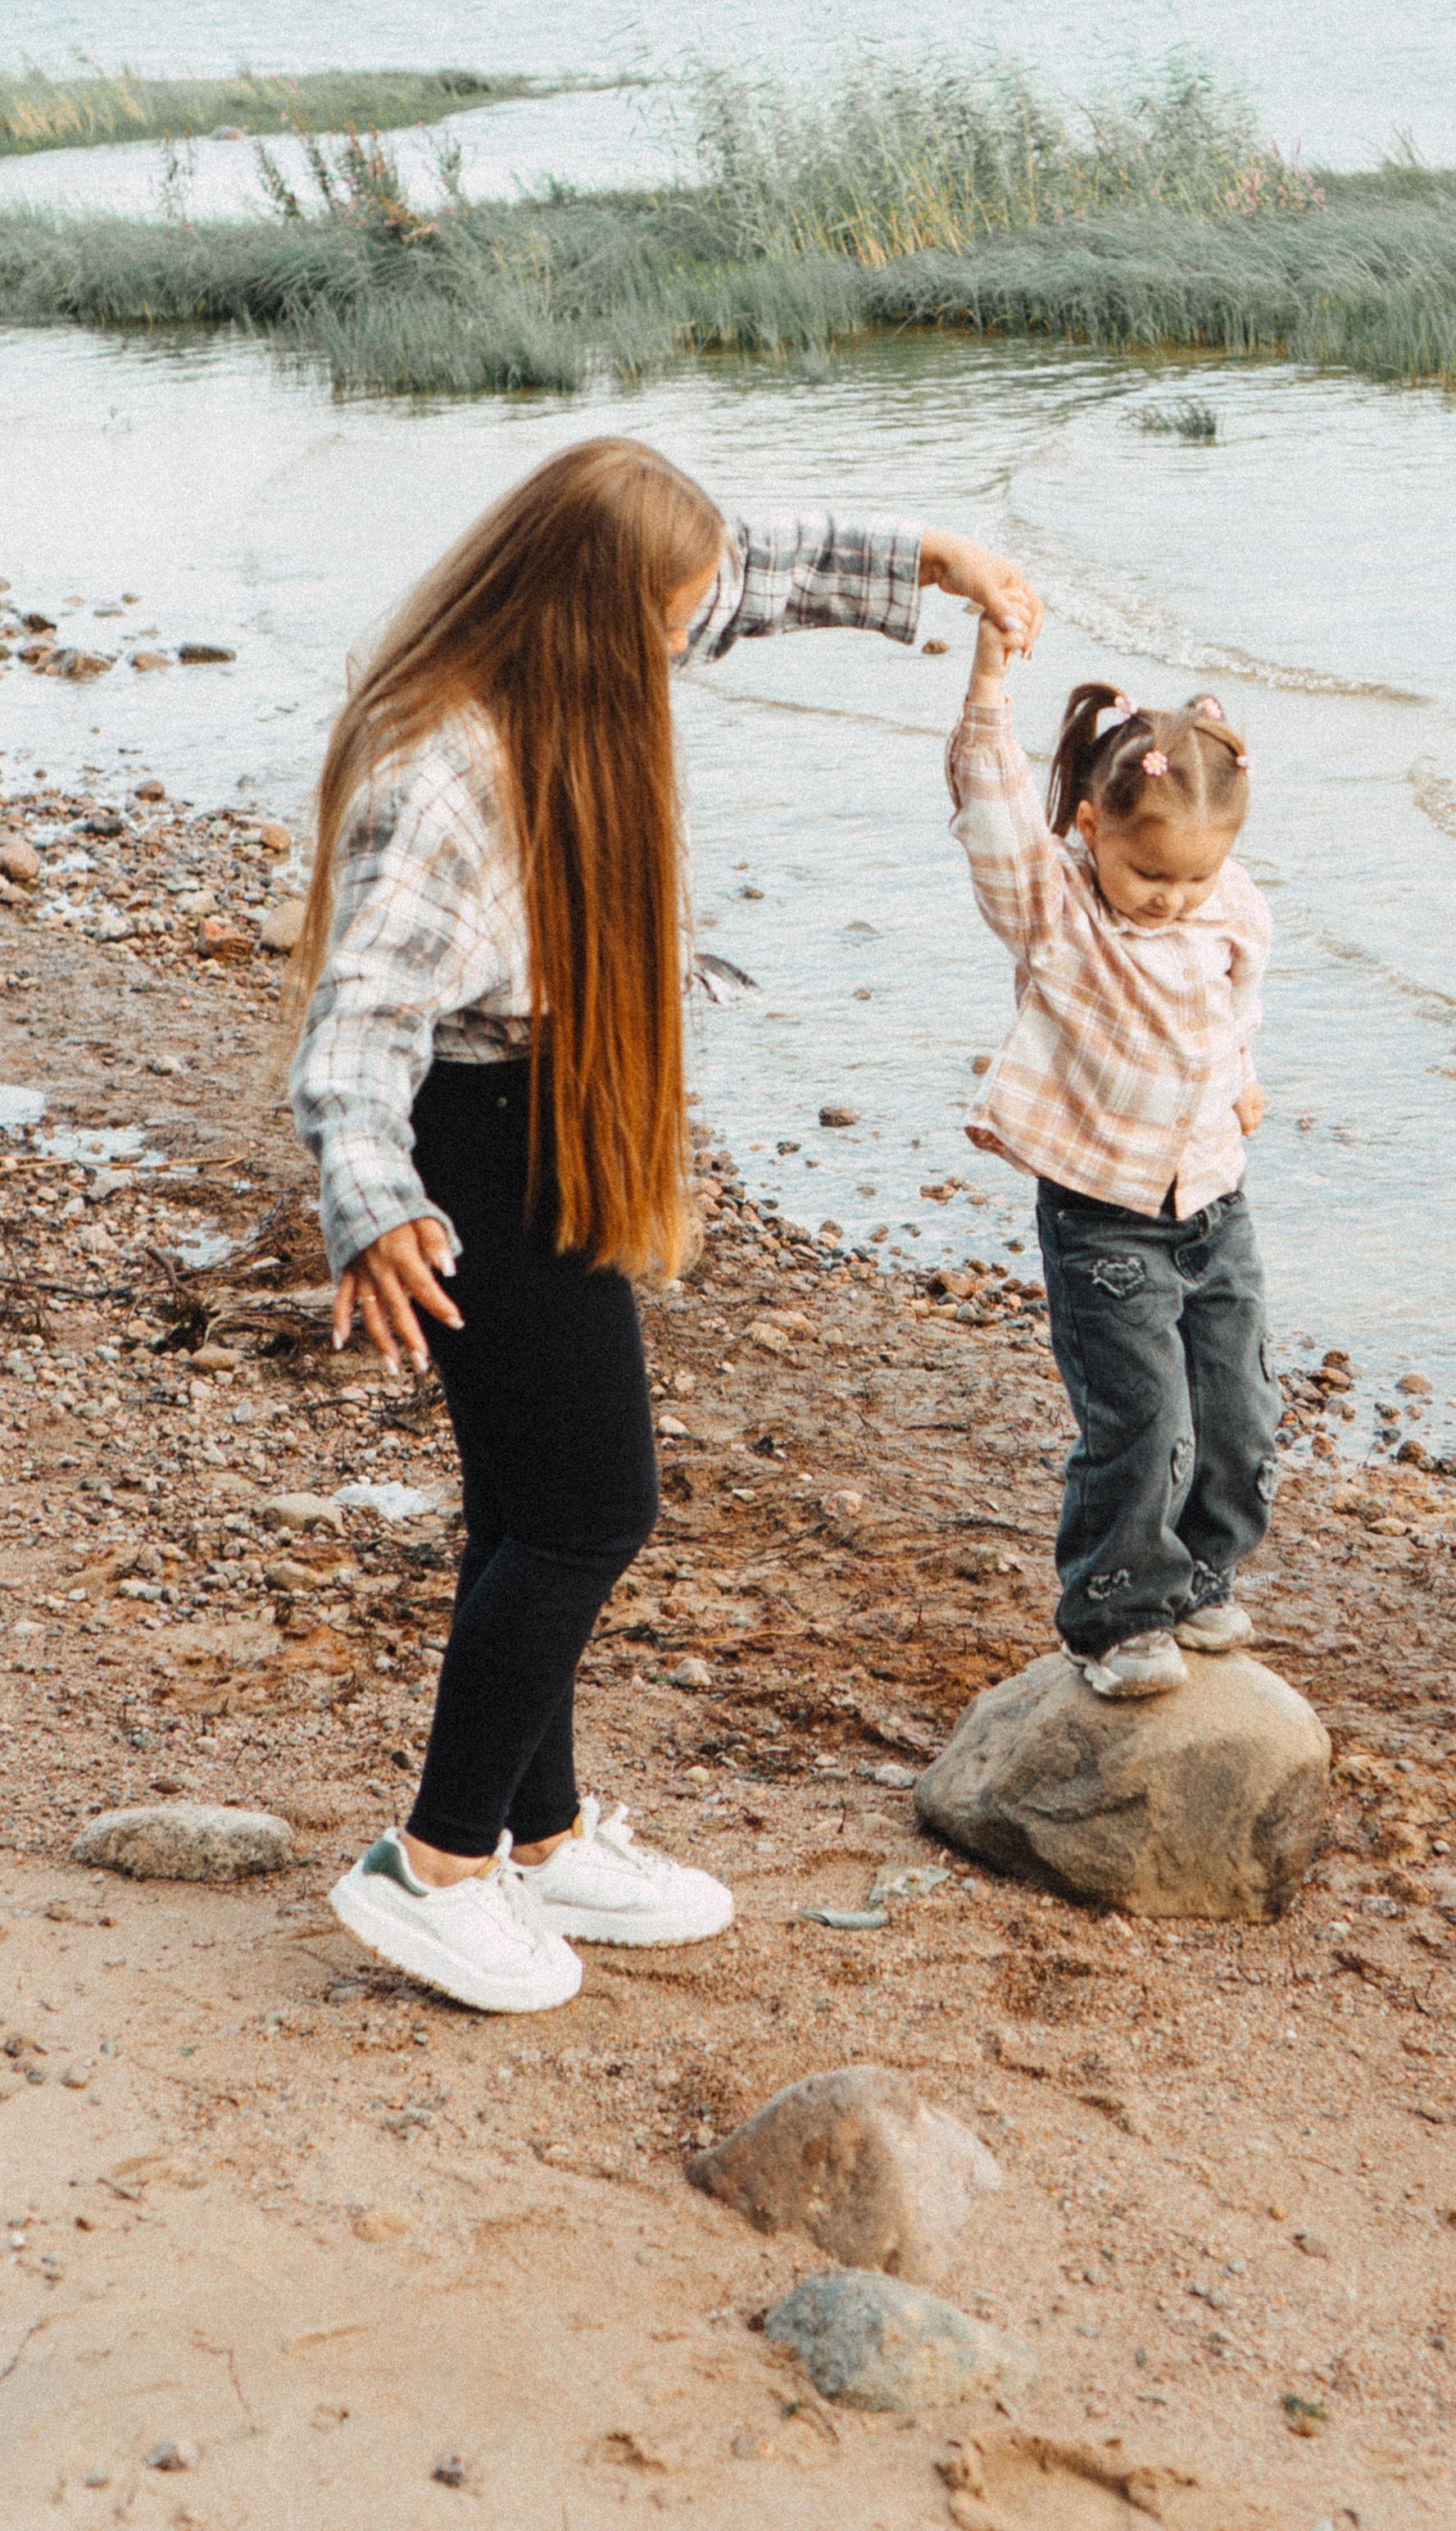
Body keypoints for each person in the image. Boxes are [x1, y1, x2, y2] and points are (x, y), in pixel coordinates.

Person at [288, 435, 1041, 2012]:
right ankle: (429, 1864)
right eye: (657, 627)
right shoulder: (448, 763)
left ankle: (541, 1830)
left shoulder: (573, 646)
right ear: (578, 617)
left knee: (526, 1496)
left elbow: (742, 575)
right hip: (473, 1141)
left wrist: (929, 559)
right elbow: (357, 1025)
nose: (679, 649)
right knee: (591, 1509)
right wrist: (376, 1208)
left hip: (547, 1114)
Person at [946, 604, 1279, 1700]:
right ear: (1092, 826)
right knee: (1143, 1420)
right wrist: (990, 675)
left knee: (1236, 1412)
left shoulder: (1225, 905)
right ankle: (1115, 1613)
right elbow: (991, 811)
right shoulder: (1060, 908)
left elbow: (1233, 1003)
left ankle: (1200, 1574)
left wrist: (1240, 1078)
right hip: (1103, 1211)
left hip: (1213, 1201)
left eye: (1194, 879)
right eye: (1153, 880)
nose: (1173, 902)